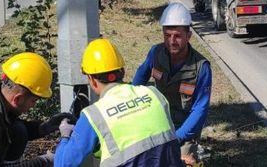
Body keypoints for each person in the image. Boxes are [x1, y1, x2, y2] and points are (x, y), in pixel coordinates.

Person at [54, 38, 184, 167]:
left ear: (91, 79)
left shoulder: (94, 115)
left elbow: (63, 163)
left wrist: (65, 136)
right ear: (122, 71)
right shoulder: (154, 94)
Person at [132, 3, 212, 165]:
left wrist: (177, 137)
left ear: (188, 36)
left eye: (177, 36)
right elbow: (138, 82)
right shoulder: (155, 53)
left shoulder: (201, 68)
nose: (171, 41)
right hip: (156, 123)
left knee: (180, 161)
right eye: (167, 35)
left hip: (183, 130)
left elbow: (200, 109)